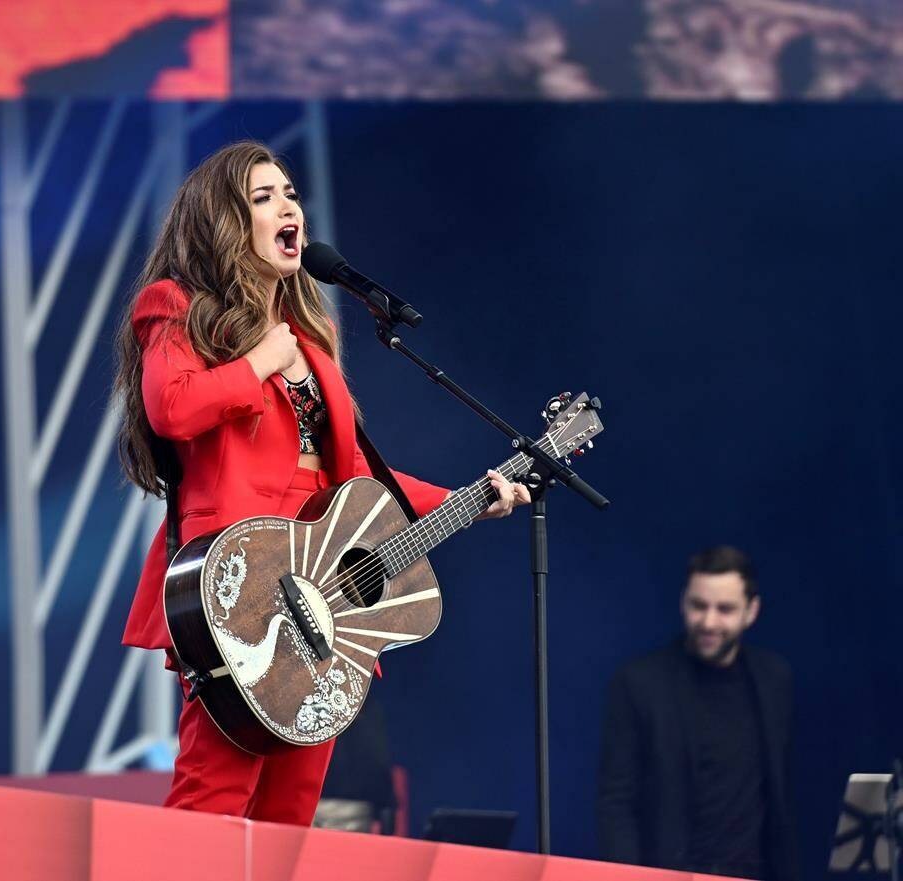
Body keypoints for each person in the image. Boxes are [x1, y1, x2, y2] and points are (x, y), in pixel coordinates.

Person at [112, 140, 530, 826]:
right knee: (211, 799)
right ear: (224, 221)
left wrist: (468, 501)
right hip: (240, 584)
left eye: (291, 194)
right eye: (263, 196)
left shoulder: (312, 336)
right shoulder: (178, 306)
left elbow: (357, 480)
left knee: (293, 815)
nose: (289, 207)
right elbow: (172, 406)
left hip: (320, 598)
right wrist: (258, 362)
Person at [597, 545, 799, 881]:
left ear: (752, 611)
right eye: (698, 606)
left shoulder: (774, 679)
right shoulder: (639, 684)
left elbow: (781, 799)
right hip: (670, 873)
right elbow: (616, 804)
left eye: (725, 609)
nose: (708, 621)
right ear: (683, 601)